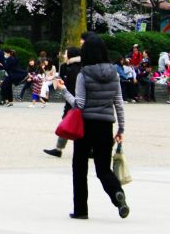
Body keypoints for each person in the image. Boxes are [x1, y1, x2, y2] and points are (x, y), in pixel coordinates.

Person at [56, 34, 130, 220]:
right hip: (106, 125)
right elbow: (118, 103)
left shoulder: (84, 73)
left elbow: (79, 104)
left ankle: (81, 210)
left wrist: (63, 90)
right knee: (103, 169)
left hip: (85, 126)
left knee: (79, 168)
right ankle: (116, 193)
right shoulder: (114, 73)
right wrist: (121, 128)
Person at [45, 46, 82, 157]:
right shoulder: (67, 67)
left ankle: (59, 149)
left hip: (74, 101)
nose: (64, 56)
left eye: (66, 54)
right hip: (71, 100)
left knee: (69, 123)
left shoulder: (76, 68)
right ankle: (59, 148)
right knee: (68, 123)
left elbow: (75, 87)